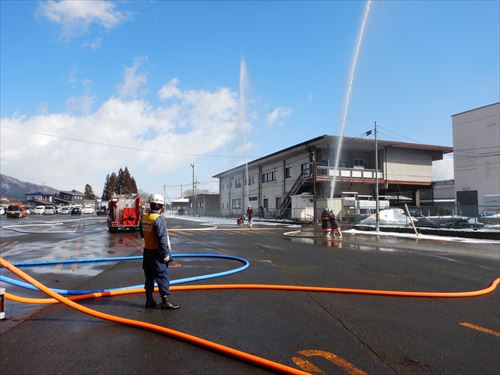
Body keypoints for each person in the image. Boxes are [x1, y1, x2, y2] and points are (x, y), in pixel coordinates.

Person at [140, 194, 179, 310]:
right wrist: (166, 255)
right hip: (157, 253)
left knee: (149, 277)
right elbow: (162, 239)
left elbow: (142, 234)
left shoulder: (144, 218)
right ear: (161, 207)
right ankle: (165, 301)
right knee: (162, 276)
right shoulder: (158, 219)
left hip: (147, 252)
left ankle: (149, 300)